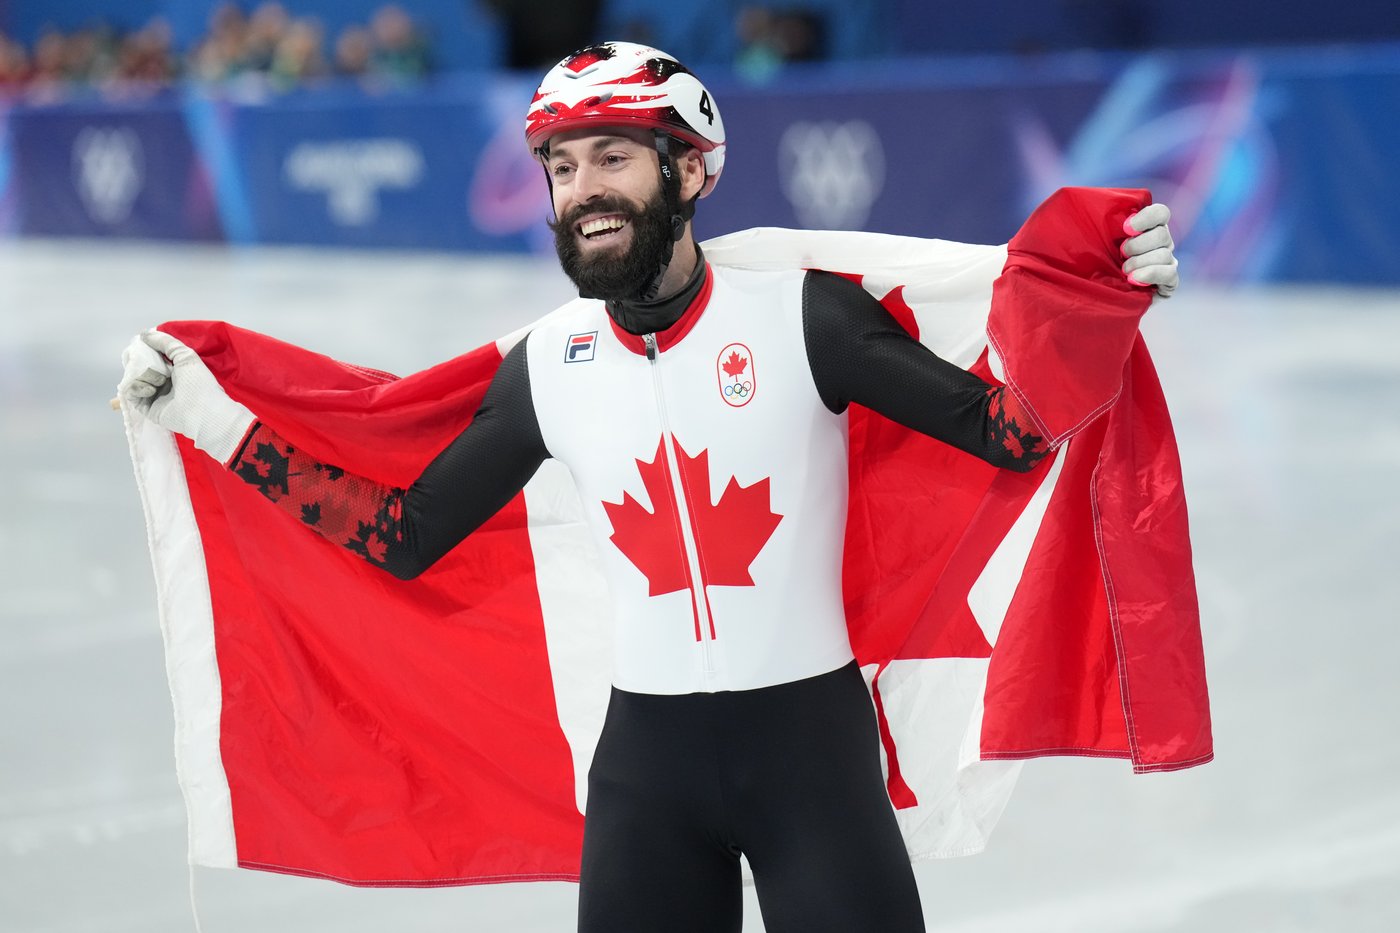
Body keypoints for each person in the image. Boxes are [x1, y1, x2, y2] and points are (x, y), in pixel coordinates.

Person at [117, 41, 1179, 933]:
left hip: (811, 763)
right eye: (560, 168)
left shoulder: (803, 317)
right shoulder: (546, 365)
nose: (581, 191)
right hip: (643, 780)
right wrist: (217, 422)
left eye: (611, 158)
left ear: (691, 170)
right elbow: (402, 534)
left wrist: (1101, 289)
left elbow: (1006, 433)